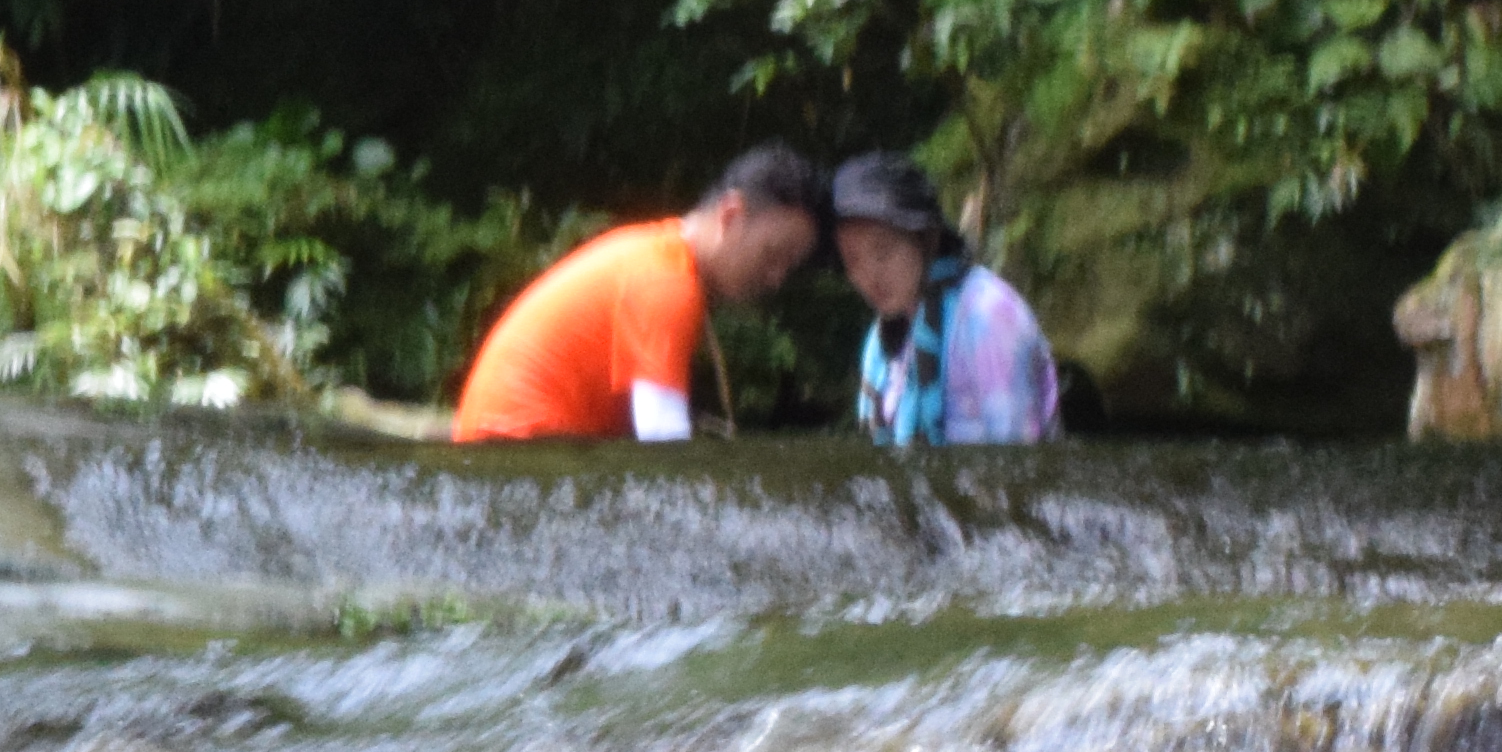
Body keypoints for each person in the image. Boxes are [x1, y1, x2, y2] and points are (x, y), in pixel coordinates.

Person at [449, 145, 830, 443]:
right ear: (730, 216)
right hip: (517, 452)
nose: (777, 277)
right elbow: (662, 441)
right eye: (773, 254)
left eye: (789, 265)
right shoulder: (667, 284)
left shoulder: (658, 255)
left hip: (515, 454)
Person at [827, 149, 1061, 443]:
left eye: (883, 252)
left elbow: (1018, 466)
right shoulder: (882, 339)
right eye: (853, 262)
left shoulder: (988, 316)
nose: (869, 277)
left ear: (928, 237)